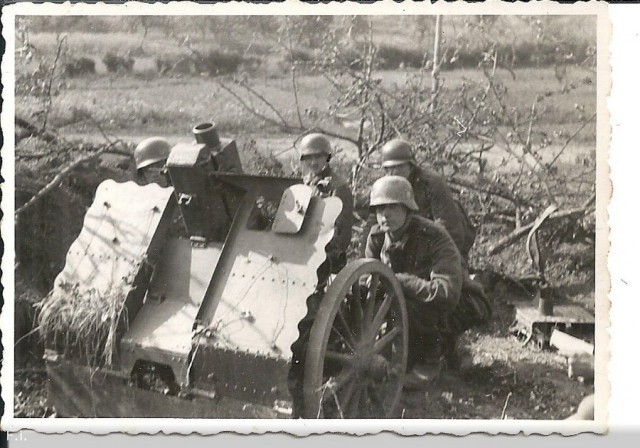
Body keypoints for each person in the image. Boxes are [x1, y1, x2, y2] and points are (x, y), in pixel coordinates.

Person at [365, 176, 491, 387]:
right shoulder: (377, 237)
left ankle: (431, 360)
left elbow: (446, 292)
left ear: (408, 209)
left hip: (460, 303)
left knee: (408, 306)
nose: (385, 215)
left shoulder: (434, 236)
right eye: (379, 209)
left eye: (393, 208)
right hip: (413, 301)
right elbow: (367, 275)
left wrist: (399, 281)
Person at [379, 138, 476, 261]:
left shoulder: (431, 183)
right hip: (410, 243)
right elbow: (375, 221)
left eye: (398, 166)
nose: (392, 172)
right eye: (388, 168)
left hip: (442, 243)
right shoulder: (388, 186)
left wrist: (439, 258)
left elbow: (448, 226)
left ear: (410, 165)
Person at [299, 132, 354, 274]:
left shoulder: (338, 187)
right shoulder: (305, 183)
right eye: (308, 157)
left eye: (318, 156)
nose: (313, 162)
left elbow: (341, 234)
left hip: (327, 254)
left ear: (327, 157)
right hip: (301, 247)